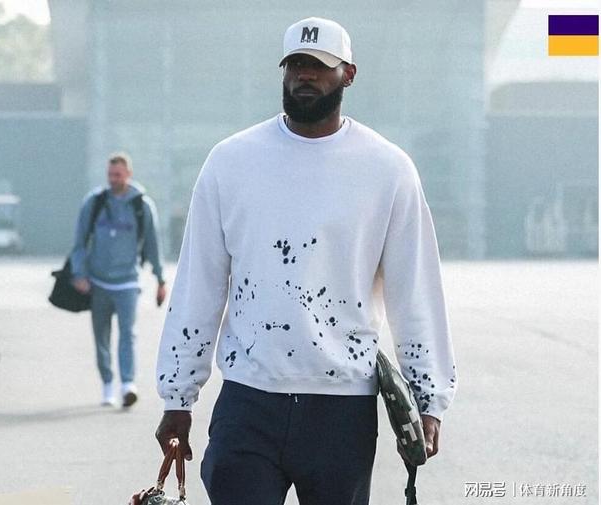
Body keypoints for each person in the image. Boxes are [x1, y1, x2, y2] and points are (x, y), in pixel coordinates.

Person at [155, 17, 457, 505]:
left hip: (342, 408)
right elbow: (199, 283)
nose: (305, 76)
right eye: (295, 64)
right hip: (249, 399)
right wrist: (177, 396)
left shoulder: (388, 169)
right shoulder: (231, 162)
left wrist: (430, 399)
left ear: (348, 74)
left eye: (319, 66)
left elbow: (415, 290)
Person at [71, 152, 166, 408]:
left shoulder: (142, 206)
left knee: (128, 334)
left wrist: (160, 279)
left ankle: (127, 384)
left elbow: (153, 245)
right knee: (101, 336)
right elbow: (79, 242)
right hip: (98, 282)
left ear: (128, 174)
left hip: (127, 282)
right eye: (110, 175)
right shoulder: (95, 203)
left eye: (118, 175)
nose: (113, 179)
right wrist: (79, 274)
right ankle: (107, 384)